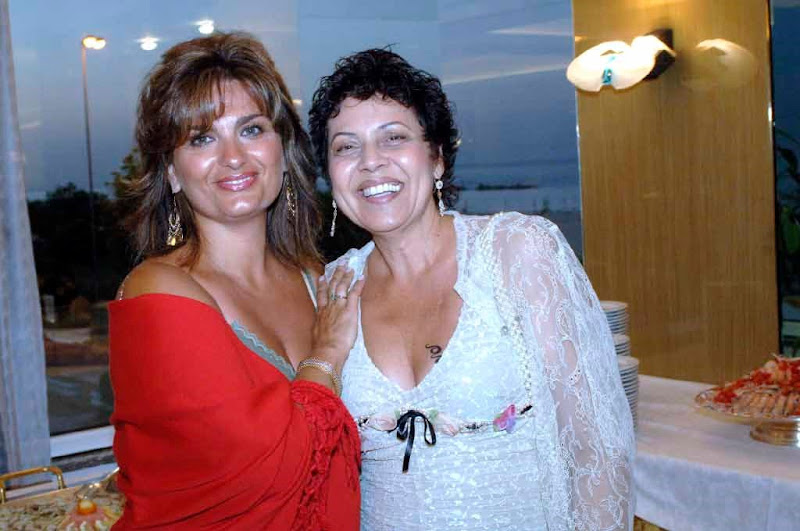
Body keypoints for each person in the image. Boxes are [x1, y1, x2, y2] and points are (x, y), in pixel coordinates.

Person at [308, 49, 635, 530]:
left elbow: (597, 449)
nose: (371, 162)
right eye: (346, 147)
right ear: (330, 174)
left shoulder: (517, 251)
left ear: (437, 157)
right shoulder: (337, 285)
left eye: (394, 137)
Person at [109, 32, 363, 530]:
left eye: (251, 129)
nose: (233, 157)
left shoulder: (316, 279)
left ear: (281, 149)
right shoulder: (156, 292)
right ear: (172, 171)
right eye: (202, 138)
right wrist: (328, 354)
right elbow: (267, 469)